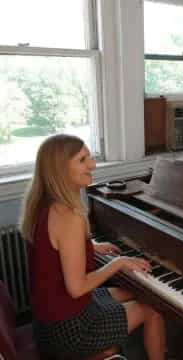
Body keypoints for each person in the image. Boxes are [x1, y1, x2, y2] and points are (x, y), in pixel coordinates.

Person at [20, 134, 166, 359]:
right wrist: (119, 262)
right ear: (60, 168)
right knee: (153, 311)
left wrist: (91, 246)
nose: (93, 165)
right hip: (70, 330)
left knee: (136, 292)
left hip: (49, 322)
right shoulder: (68, 217)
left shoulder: (43, 204)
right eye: (82, 160)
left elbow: (56, 249)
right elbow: (77, 288)